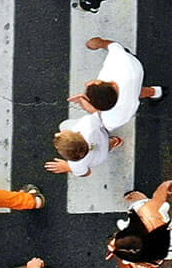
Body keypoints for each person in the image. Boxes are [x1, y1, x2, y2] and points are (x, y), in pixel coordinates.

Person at [46, 37, 159, 178]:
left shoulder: (112, 119)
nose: (87, 84)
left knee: (135, 94)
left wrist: (68, 166)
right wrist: (98, 42)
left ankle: (112, 142)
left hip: (124, 114)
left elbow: (100, 120)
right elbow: (113, 45)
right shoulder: (119, 64)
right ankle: (155, 91)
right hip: (135, 76)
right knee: (136, 91)